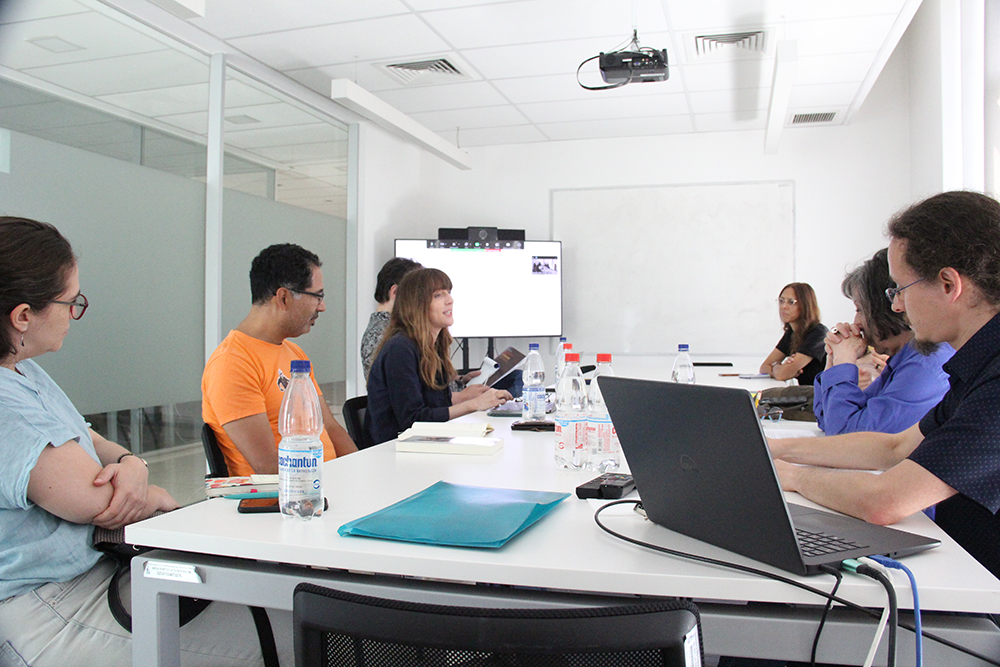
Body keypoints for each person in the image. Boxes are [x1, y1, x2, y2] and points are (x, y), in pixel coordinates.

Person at [0, 217, 265, 666]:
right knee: (278, 637)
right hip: (50, 604)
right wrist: (152, 492)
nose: (74, 313)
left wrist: (131, 463)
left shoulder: (24, 370)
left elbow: (86, 436)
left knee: (262, 607)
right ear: (23, 316)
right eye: (71, 302)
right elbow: (93, 500)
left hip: (99, 572)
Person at [771, 191, 1000, 580]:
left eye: (900, 290)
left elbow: (886, 501)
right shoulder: (978, 365)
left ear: (948, 284)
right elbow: (894, 445)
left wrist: (789, 474)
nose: (895, 307)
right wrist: (775, 448)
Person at [203, 243, 356, 476]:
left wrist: (362, 473)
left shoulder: (294, 353)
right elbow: (268, 467)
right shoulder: (232, 363)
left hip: (327, 487)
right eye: (318, 296)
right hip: (289, 500)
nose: (322, 307)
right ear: (283, 297)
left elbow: (331, 428)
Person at [813, 248, 953, 434]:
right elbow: (828, 420)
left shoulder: (925, 365)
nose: (856, 323)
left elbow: (847, 437)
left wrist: (844, 360)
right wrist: (833, 360)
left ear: (887, 309)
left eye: (860, 310)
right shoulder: (906, 358)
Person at [365, 268, 511, 445]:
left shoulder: (432, 346)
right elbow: (412, 420)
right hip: (394, 453)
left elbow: (437, 403)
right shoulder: (400, 349)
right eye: (438, 295)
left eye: (448, 293)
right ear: (417, 304)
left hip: (427, 444)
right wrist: (474, 404)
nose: (450, 300)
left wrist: (478, 398)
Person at [361, 257, 422, 380]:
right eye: (418, 293)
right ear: (395, 292)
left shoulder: (388, 329)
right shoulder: (385, 336)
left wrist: (459, 380)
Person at [759, 282, 828, 385]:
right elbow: (764, 368)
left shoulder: (818, 333)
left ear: (805, 305)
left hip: (819, 395)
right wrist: (780, 368)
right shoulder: (792, 333)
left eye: (791, 302)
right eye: (781, 301)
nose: (783, 306)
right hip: (805, 394)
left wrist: (776, 366)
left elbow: (782, 375)